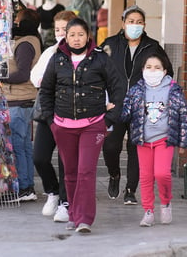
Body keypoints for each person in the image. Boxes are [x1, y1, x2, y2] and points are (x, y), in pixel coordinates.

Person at [39, 18, 125, 233]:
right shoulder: (56, 59)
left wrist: (109, 119)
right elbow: (46, 91)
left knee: (86, 171)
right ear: (65, 37)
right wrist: (51, 122)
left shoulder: (100, 59)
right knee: (70, 172)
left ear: (88, 36)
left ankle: (84, 219)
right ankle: (73, 214)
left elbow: (118, 89)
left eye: (80, 35)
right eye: (72, 35)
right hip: (63, 125)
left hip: (93, 124)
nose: (76, 39)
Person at [101, 5, 174, 205]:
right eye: (131, 21)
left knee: (136, 147)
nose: (135, 25)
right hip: (115, 106)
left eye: (139, 22)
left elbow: (167, 73)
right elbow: (96, 72)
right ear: (123, 23)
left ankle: (130, 189)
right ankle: (114, 175)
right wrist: (102, 100)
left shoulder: (152, 47)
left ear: (144, 25)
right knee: (110, 146)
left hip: (142, 107)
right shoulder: (109, 44)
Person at [120, 53, 187, 226]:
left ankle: (166, 202)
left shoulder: (173, 90)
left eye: (157, 67)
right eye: (149, 67)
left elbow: (183, 115)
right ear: (142, 70)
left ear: (165, 71)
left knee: (162, 173)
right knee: (146, 176)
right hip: (143, 141)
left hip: (164, 140)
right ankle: (148, 211)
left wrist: (183, 141)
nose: (153, 71)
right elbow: (125, 114)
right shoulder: (136, 90)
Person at [31, 10, 78, 222]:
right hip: (47, 112)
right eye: (57, 29)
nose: (60, 34)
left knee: (66, 161)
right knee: (39, 157)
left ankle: (65, 203)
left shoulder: (85, 54)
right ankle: (53, 191)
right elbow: (35, 77)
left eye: (64, 29)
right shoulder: (50, 52)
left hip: (71, 114)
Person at [1, 8, 42, 201]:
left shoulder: (25, 44)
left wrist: (0, 77)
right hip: (22, 100)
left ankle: (24, 188)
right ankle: (28, 187)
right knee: (24, 145)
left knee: (18, 145)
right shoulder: (29, 40)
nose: (14, 23)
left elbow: (23, 74)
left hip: (19, 101)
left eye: (17, 20)